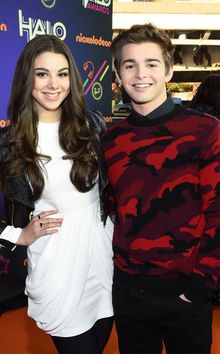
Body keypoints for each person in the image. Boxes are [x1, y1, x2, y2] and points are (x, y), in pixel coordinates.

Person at [0, 34, 114, 354]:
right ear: (28, 78)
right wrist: (16, 235)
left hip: (104, 264)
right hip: (58, 269)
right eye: (42, 73)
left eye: (63, 73)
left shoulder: (93, 125)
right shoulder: (7, 141)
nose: (53, 84)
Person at [102, 23, 220, 354]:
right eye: (130, 65)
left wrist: (201, 286)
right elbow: (113, 206)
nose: (141, 74)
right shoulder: (110, 139)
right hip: (128, 293)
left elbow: (218, 213)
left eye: (151, 63)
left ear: (168, 70)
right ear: (118, 74)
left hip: (186, 294)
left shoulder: (205, 131)